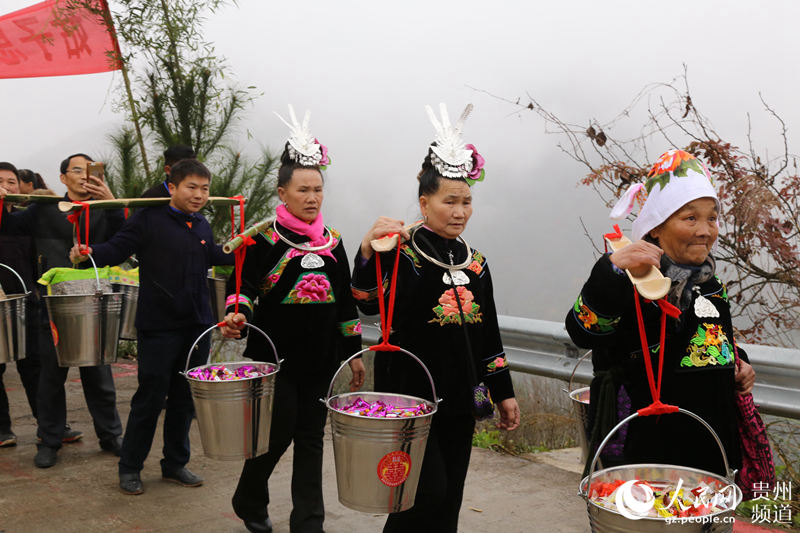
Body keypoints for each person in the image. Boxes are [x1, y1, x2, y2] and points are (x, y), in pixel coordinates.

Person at [351, 104, 520, 533]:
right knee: (420, 493)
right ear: (424, 203)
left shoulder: (476, 263)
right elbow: (367, 301)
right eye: (450, 201)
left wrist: (502, 392)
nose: (460, 211)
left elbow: (489, 336)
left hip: (463, 396)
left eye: (466, 201)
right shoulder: (403, 252)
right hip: (409, 395)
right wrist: (369, 251)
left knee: (452, 496)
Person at [565, 149, 756, 477]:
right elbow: (583, 332)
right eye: (690, 218)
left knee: (706, 524)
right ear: (655, 227)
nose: (705, 230)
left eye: (712, 218)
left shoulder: (710, 285)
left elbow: (711, 340)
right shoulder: (632, 279)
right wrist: (609, 272)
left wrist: (738, 362)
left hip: (708, 443)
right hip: (640, 446)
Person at [220, 107, 365, 533]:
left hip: (320, 359)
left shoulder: (333, 243)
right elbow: (242, 286)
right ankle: (250, 495)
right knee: (277, 434)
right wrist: (238, 313)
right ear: (282, 193)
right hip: (274, 359)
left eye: (318, 189)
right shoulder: (262, 239)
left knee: (310, 440)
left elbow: (344, 304)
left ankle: (308, 523)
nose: (312, 198)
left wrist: (352, 355)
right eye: (303, 190)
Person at [70, 158, 234, 495]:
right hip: (159, 326)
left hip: (197, 324)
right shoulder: (149, 220)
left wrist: (241, 248)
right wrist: (88, 253)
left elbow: (213, 256)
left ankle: (175, 464)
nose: (199, 195)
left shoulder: (201, 224)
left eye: (205, 189)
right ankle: (129, 467)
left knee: (184, 400)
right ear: (171, 187)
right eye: (191, 187)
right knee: (149, 398)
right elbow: (115, 250)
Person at [0, 153, 123, 468]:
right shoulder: (43, 210)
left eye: (90, 170)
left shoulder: (104, 210)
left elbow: (127, 241)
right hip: (53, 304)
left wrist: (111, 201)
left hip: (95, 303)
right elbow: (9, 225)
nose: (84, 176)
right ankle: (49, 440)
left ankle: (111, 436)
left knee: (99, 375)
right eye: (77, 170)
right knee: (50, 379)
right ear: (63, 178)